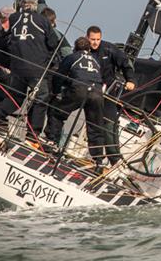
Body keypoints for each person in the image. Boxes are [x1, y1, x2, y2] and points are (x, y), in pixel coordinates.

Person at [0, 0, 58, 138]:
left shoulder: (14, 18)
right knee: (41, 98)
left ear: (21, 5)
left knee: (16, 97)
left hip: (17, 67)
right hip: (36, 68)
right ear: (34, 5)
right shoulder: (42, 20)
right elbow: (53, 43)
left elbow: (5, 39)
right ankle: (32, 135)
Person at [44, 37, 106, 170]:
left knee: (57, 112)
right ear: (89, 49)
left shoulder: (72, 57)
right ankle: (99, 161)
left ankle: (52, 142)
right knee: (95, 127)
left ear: (75, 48)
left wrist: (56, 93)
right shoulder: (96, 60)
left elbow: (59, 76)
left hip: (79, 89)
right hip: (97, 92)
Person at [87, 25, 135, 166]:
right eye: (92, 39)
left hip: (108, 92)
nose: (95, 42)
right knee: (94, 125)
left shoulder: (109, 48)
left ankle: (115, 159)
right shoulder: (83, 50)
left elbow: (125, 63)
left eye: (98, 39)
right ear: (87, 38)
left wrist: (130, 80)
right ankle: (97, 159)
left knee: (109, 125)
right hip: (90, 91)